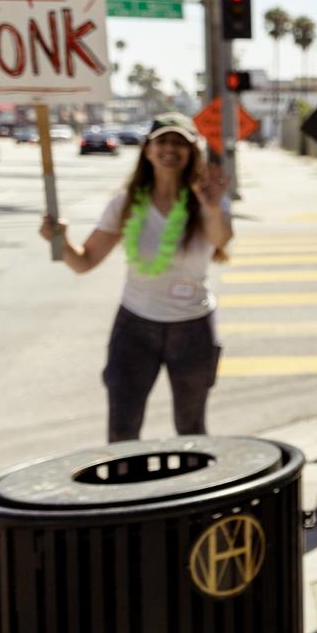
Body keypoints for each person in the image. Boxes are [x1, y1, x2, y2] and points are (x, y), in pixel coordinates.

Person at [39, 112, 233, 442]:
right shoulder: (126, 202)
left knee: (191, 430)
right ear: (147, 150)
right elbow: (84, 262)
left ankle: (189, 492)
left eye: (179, 143)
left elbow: (222, 240)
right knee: (122, 432)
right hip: (135, 327)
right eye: (162, 141)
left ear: (191, 153)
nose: (170, 149)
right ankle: (127, 491)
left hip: (192, 327)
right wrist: (59, 239)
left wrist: (212, 206)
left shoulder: (205, 198)